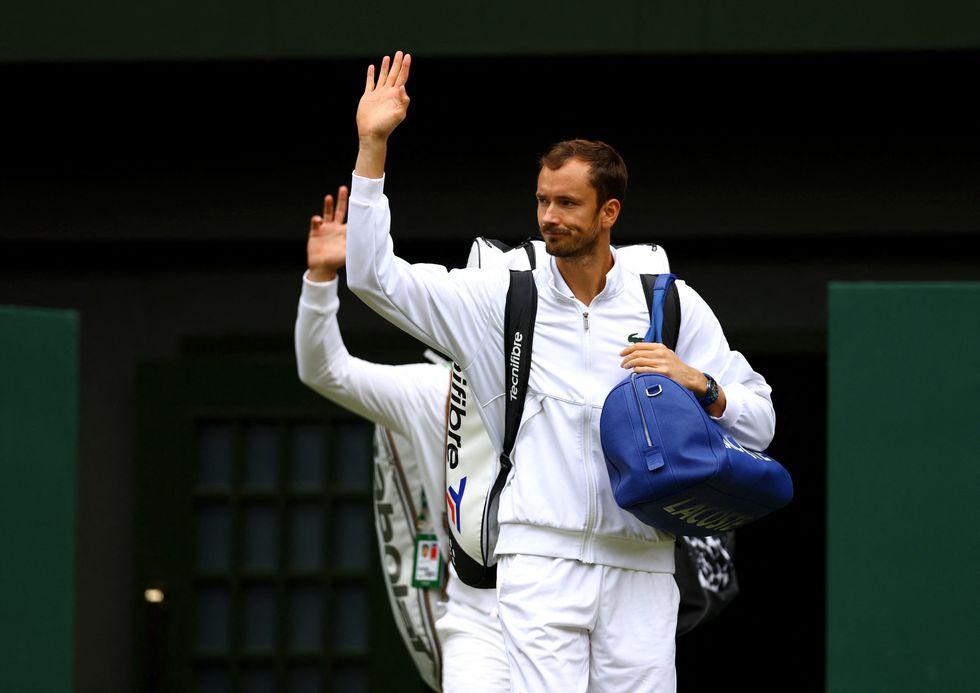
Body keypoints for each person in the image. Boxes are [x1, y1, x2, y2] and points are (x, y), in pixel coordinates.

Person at [345, 52, 776, 692]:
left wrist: (701, 386)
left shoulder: (669, 299)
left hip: (643, 563)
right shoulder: (501, 293)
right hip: (539, 560)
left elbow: (760, 421)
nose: (549, 217)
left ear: (610, 214)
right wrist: (372, 147)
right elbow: (373, 277)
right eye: (542, 201)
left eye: (568, 203)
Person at [294, 186, 510, 692]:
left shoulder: (561, 379)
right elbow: (325, 371)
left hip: (562, 601)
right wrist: (322, 277)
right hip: (475, 611)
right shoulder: (431, 389)